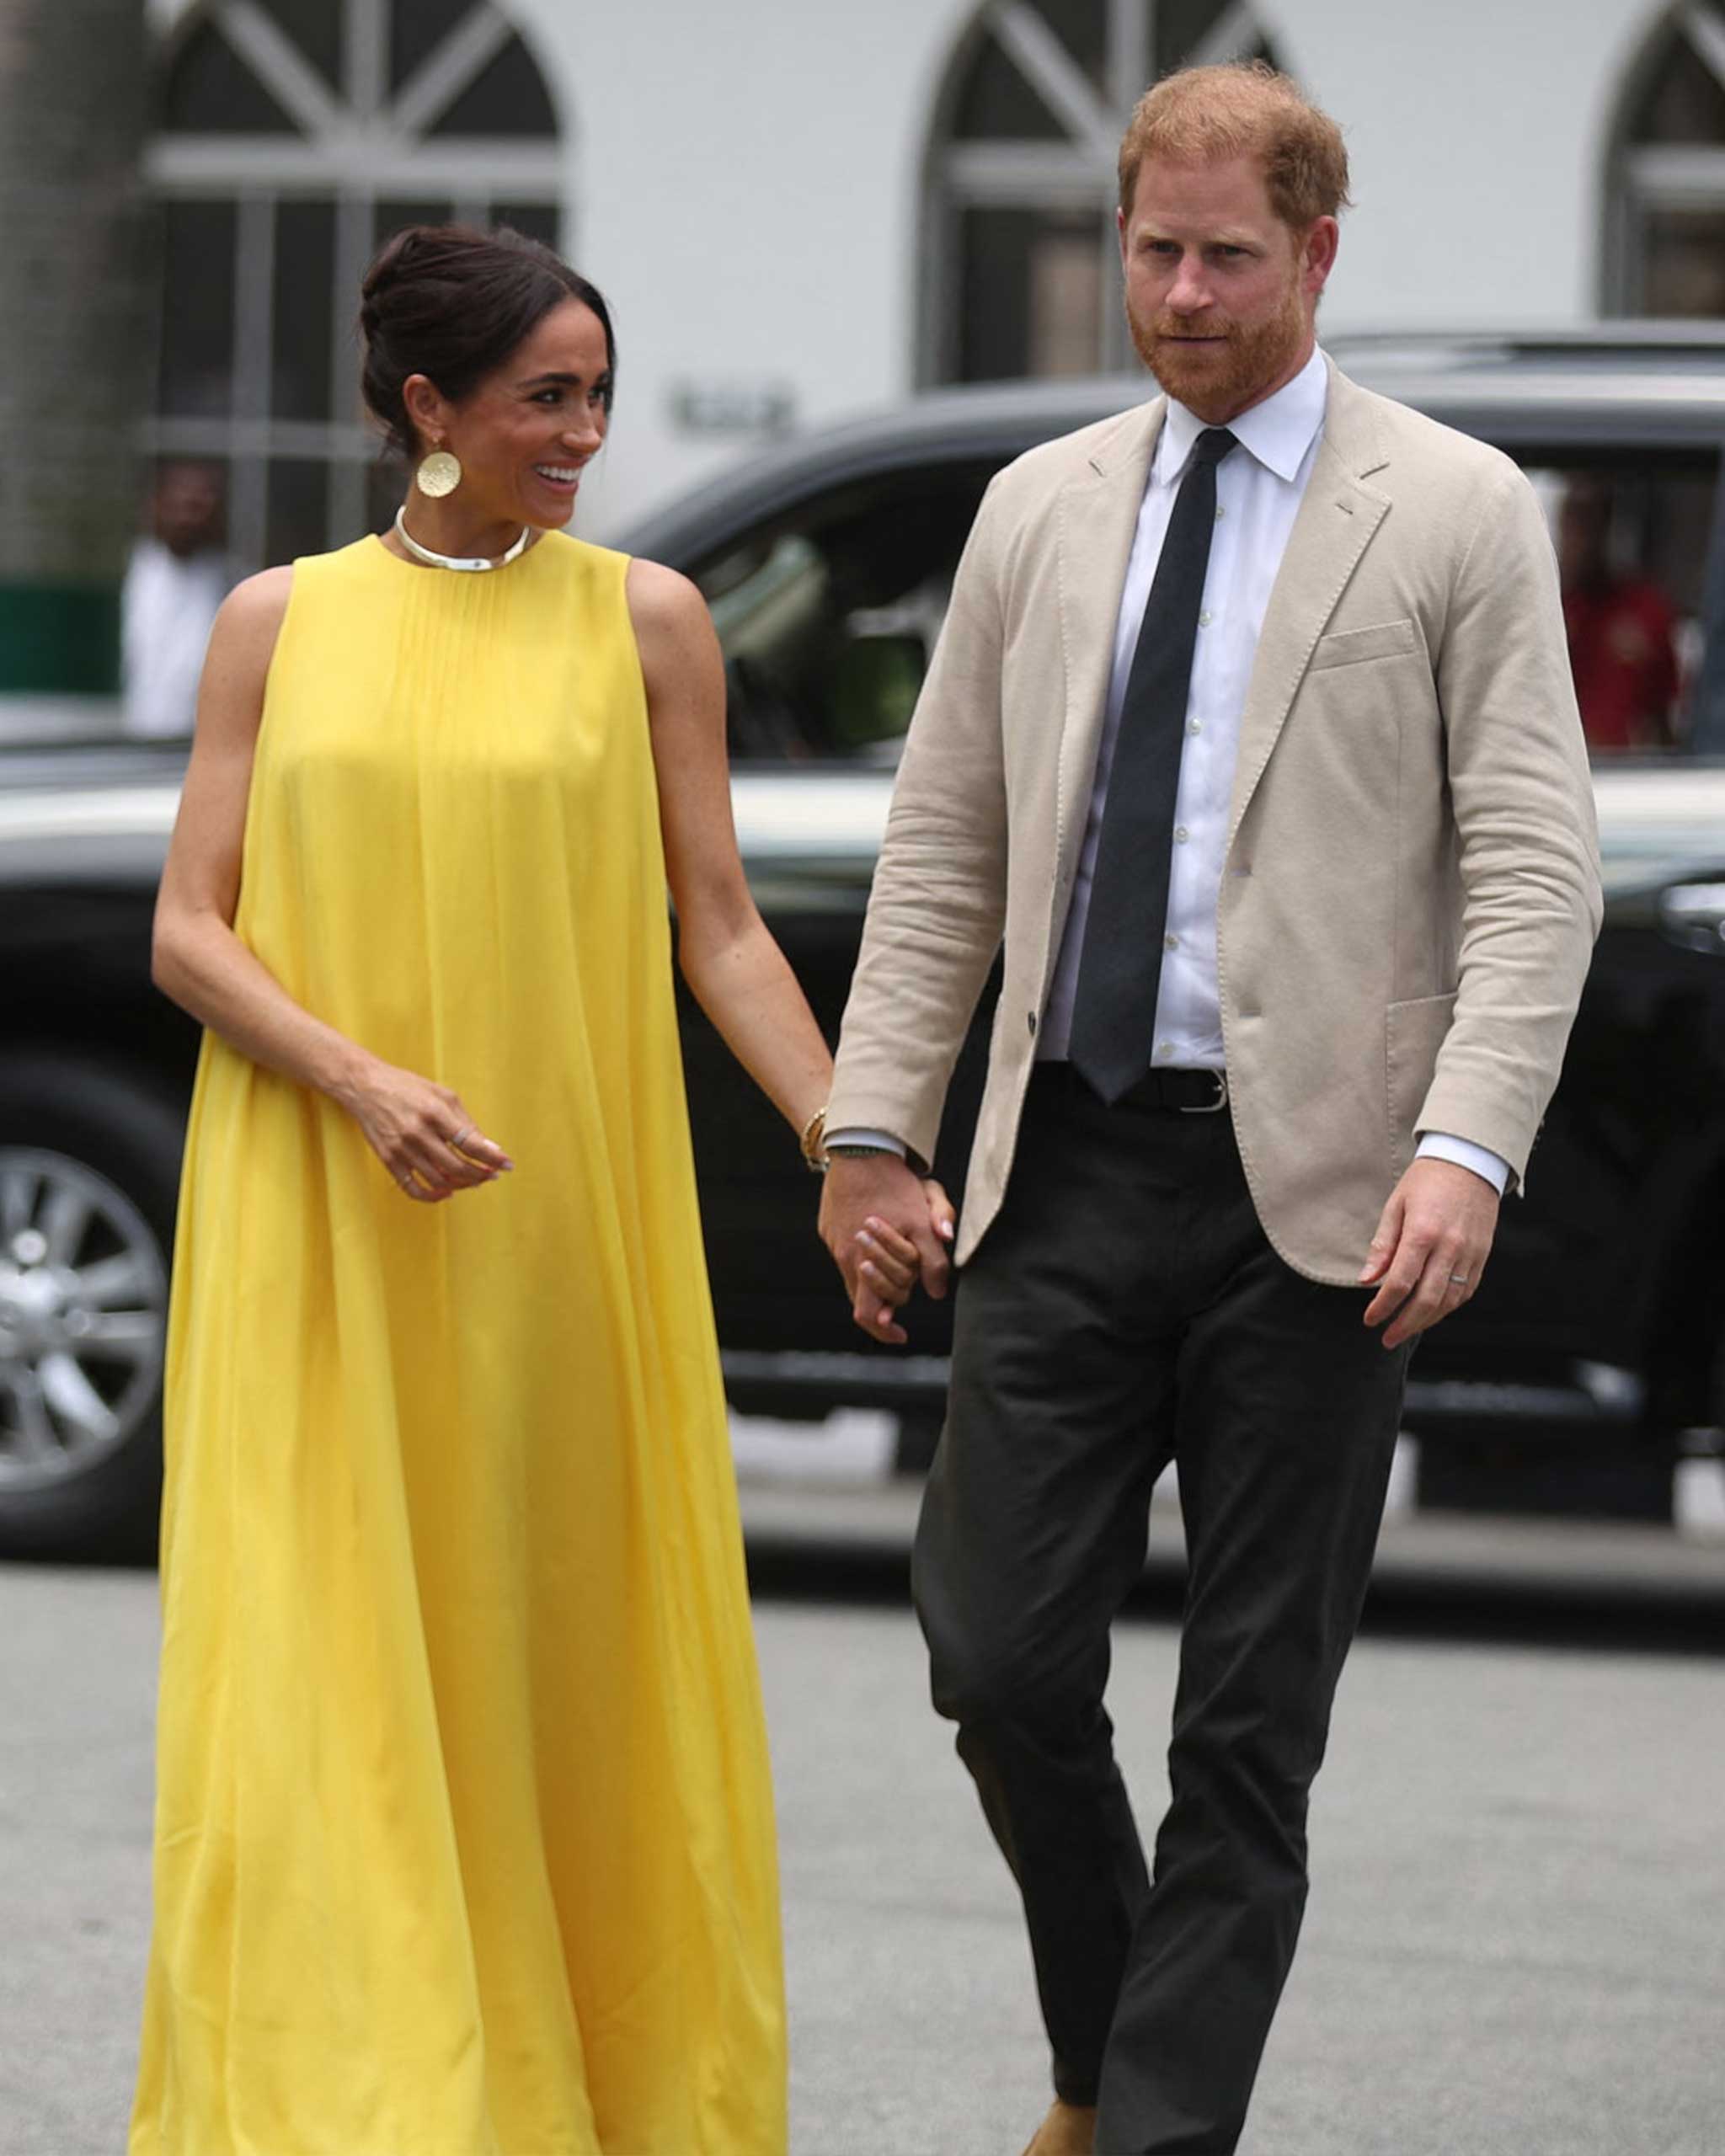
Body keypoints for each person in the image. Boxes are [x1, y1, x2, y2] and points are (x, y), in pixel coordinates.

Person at [817, 62, 1602, 2156]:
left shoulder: (1450, 506)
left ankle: (1152, 2131)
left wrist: (1465, 1144)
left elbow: (1535, 862)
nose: (1178, 292)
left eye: (1225, 256)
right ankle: (1109, 2055)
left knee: (1248, 1725)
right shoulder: (1040, 503)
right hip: (1059, 1164)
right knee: (995, 1657)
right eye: (1152, 251)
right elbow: (946, 841)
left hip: (1320, 1199)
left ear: (1315, 253)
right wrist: (871, 1125)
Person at [129, 225, 947, 2156]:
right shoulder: (275, 623)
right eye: (544, 398)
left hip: (558, 1223)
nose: (584, 431)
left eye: (597, 394)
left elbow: (719, 924)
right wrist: (355, 1077)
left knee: (555, 1646)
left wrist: (851, 1142)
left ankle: (594, 2092)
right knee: (326, 1662)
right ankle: (373, 2105)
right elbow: (189, 928)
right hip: (322, 1209)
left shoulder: (649, 620)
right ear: (430, 407)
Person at [1557, 476, 1683, 752]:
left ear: (1609, 526)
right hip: (1557, 763)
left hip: (1627, 769)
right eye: (1573, 522)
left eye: (1591, 522)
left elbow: (1665, 715)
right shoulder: (1546, 608)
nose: (1581, 538)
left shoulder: (1646, 610)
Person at [121, 461, 233, 739]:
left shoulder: (231, 583)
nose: (187, 519)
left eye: (197, 508)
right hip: (131, 738)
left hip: (198, 741)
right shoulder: (133, 572)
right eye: (179, 505)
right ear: (156, 505)